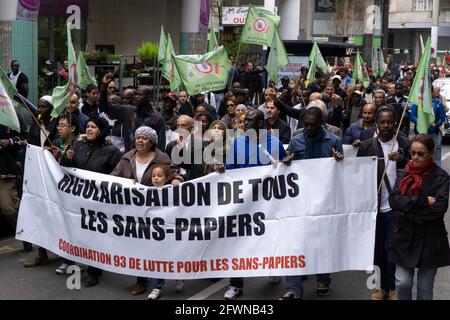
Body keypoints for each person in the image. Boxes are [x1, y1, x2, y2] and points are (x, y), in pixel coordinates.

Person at [278, 107, 344, 300]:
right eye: (306, 124)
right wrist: (287, 162)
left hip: (324, 202)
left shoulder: (334, 141)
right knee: (294, 243)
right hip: (299, 201)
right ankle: (293, 288)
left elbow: (341, 174)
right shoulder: (297, 139)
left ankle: (323, 279)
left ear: (321, 121)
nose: (309, 128)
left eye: (313, 124)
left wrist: (339, 161)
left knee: (321, 243)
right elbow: (287, 164)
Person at [222, 109, 286, 300]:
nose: (245, 124)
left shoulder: (274, 143)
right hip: (244, 201)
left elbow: (282, 169)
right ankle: (235, 284)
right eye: (243, 121)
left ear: (260, 123)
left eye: (249, 121)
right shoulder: (237, 142)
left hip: (267, 201)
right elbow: (231, 170)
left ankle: (273, 266)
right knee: (238, 242)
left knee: (270, 236)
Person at [111, 126, 182, 297]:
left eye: (144, 138)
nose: (140, 140)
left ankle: (173, 274)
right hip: (133, 210)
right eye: (138, 137)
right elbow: (114, 175)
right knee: (139, 245)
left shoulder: (162, 158)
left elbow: (175, 174)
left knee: (160, 245)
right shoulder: (127, 157)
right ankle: (141, 281)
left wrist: (177, 180)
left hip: (157, 211)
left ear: (152, 142)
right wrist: (124, 183)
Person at [60, 115, 122, 287]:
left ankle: (94, 271)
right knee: (77, 231)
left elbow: (117, 175)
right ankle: (72, 260)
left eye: (93, 127)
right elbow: (67, 170)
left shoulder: (112, 151)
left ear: (101, 130)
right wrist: (67, 158)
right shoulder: (79, 145)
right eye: (87, 126)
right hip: (78, 199)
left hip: (99, 202)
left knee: (95, 236)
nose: (89, 129)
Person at [357, 106, 411, 300]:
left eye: (390, 122)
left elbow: (416, 174)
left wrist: (404, 159)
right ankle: (380, 288)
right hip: (373, 207)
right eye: (382, 122)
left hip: (394, 208)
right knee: (375, 249)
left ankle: (394, 287)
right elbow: (357, 175)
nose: (386, 125)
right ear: (377, 124)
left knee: (391, 247)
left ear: (395, 122)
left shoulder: (404, 144)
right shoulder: (367, 146)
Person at [388, 134, 450, 300]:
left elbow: (439, 208)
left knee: (424, 289)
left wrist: (408, 208)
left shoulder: (441, 177)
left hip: (431, 239)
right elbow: (394, 200)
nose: (415, 157)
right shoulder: (403, 174)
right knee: (402, 283)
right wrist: (423, 200)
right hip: (404, 236)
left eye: (420, 153)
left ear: (431, 154)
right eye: (412, 152)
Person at [99, 73, 166, 152]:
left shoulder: (157, 118)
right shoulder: (127, 111)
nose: (135, 97)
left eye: (139, 95)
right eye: (135, 94)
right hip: (129, 159)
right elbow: (104, 107)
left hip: (148, 160)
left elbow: (160, 147)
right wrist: (104, 86)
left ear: (149, 97)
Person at [410, 90, 446, 167]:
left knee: (436, 151)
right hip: (421, 132)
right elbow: (412, 116)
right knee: (420, 151)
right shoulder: (417, 102)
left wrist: (436, 124)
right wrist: (421, 123)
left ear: (432, 92)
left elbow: (442, 117)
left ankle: (436, 171)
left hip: (434, 132)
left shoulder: (438, 102)